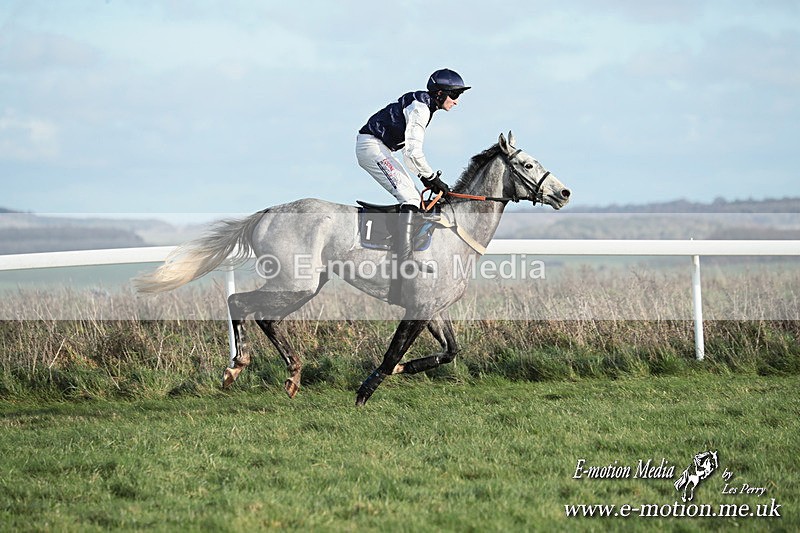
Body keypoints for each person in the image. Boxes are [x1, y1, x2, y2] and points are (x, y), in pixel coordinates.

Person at [356, 68, 470, 288]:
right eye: (454, 95)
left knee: (415, 199)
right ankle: (404, 261)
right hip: (371, 146)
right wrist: (431, 178)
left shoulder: (426, 104)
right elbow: (412, 153)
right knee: (410, 199)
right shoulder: (420, 108)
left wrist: (427, 178)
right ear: (439, 94)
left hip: (381, 147)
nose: (457, 102)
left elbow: (410, 155)